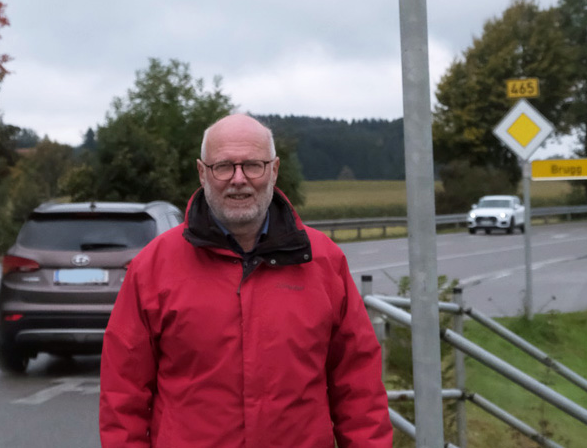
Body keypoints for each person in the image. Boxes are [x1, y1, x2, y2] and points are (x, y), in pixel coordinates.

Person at [98, 112, 392, 448]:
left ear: (274, 170)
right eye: (223, 166)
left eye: (253, 165)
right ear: (202, 173)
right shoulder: (153, 267)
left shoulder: (323, 261)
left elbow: (359, 389)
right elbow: (123, 397)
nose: (239, 179)